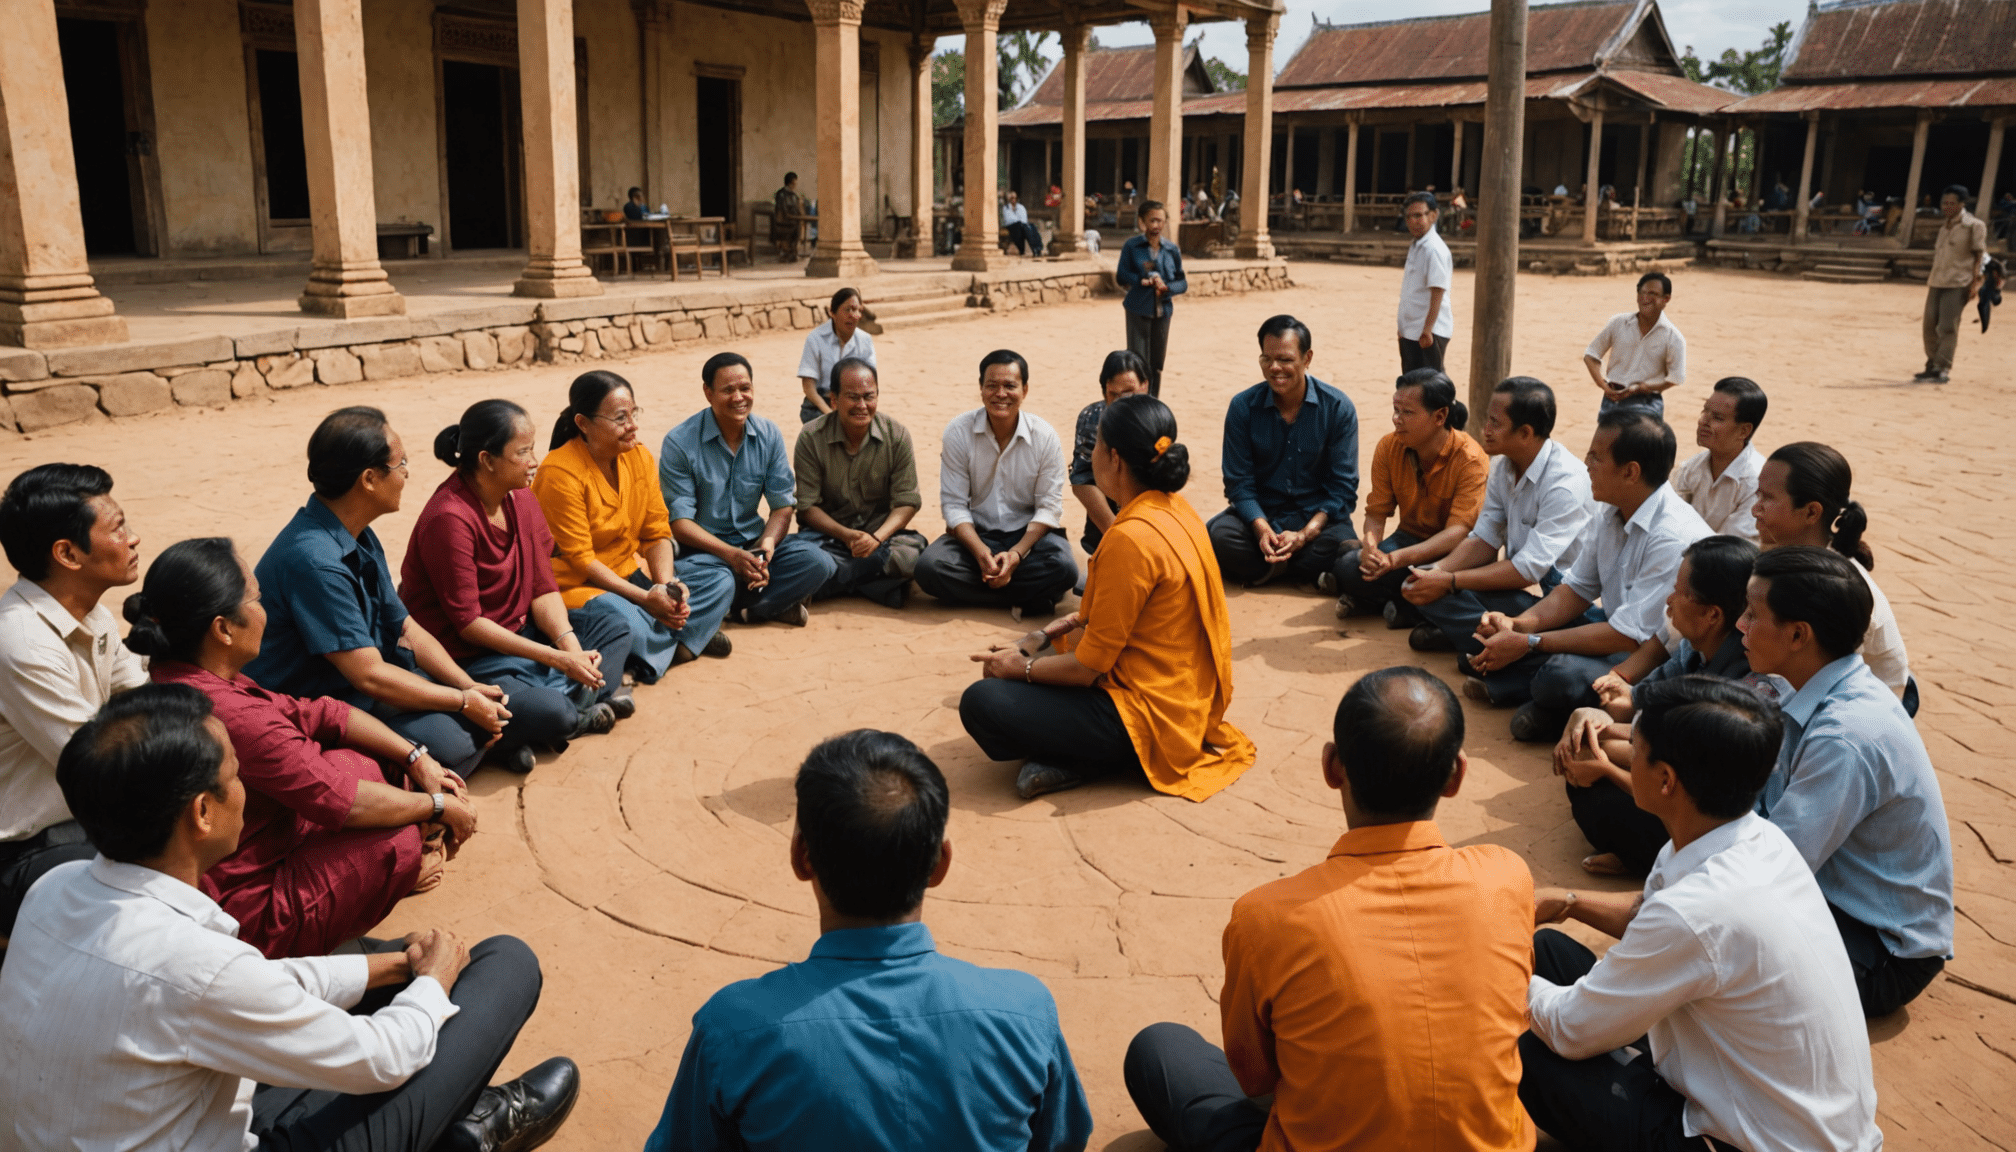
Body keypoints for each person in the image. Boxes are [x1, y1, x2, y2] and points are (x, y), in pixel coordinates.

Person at [0, 683, 579, 1152]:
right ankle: (467, 1124)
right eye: (235, 777)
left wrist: (392, 968)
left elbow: (242, 986)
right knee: (503, 966)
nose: (245, 790)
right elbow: (381, 1058)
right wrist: (432, 980)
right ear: (202, 813)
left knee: (380, 972)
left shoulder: (55, 888)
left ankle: (457, 1118)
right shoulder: (195, 968)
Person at [1124, 667, 1534, 1152]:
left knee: (1160, 1049)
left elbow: (1256, 1078)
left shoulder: (1265, 917)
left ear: (1332, 767)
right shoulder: (1506, 878)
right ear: (1456, 775)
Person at [644, 730, 1093, 1150]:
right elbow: (1061, 1138)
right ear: (940, 864)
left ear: (802, 858)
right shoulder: (1025, 1012)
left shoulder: (732, 1028)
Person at [1523, 676, 1880, 1152]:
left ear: (1666, 780)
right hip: (1781, 1113)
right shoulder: (1757, 839)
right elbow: (1650, 918)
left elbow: (1569, 1029)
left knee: (1527, 1046)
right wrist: (1565, 903)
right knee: (1544, 949)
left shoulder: (1698, 911)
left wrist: (1490, 956)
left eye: (1636, 746)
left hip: (1749, 1144)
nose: (1624, 750)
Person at [128, 537, 476, 959]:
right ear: (222, 628)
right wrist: (438, 807)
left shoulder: (193, 675)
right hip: (243, 910)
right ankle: (391, 876)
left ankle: (408, 848)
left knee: (362, 762)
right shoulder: (231, 714)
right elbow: (339, 797)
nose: (264, 610)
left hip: (259, 838)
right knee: (398, 837)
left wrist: (415, 758)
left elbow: (325, 712)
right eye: (255, 598)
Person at [959, 394, 1256, 801]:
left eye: (1096, 445)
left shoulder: (1130, 538)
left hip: (1149, 715)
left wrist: (1019, 669)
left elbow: (1087, 668)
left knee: (984, 700)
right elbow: (1101, 622)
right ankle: (1077, 751)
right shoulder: (1178, 510)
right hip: (1186, 703)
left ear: (1114, 459)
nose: (1091, 455)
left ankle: (1097, 757)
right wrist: (1036, 641)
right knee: (1015, 678)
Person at [1740, 546, 1953, 1017]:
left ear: (1798, 634)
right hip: (1829, 896)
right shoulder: (1806, 685)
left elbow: (1774, 866)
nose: (1740, 625)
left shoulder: (1847, 735)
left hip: (1881, 950)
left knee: (1720, 963)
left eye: (1753, 615)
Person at [246, 408, 513, 781]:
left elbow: (405, 627)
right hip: (316, 705)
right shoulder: (314, 561)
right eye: (400, 462)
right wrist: (464, 701)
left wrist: (468, 688)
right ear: (369, 479)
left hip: (366, 687)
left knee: (488, 715)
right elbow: (368, 676)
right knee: (458, 740)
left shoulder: (357, 532)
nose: (406, 473)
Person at [402, 400, 632, 772]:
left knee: (614, 627)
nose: (534, 461)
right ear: (487, 460)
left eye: (532, 448)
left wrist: (570, 648)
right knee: (553, 711)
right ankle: (563, 716)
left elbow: (542, 586)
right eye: (523, 452)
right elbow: (470, 625)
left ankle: (536, 726)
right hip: (471, 656)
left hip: (524, 636)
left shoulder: (521, 497)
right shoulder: (450, 517)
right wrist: (558, 660)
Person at [1467, 411, 1711, 741]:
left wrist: (1530, 643)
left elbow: (1629, 637)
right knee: (1490, 633)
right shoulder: (1610, 508)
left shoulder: (1672, 536)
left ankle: (1542, 697)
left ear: (1630, 472)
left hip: (1644, 656)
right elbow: (1576, 590)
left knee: (1560, 676)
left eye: (1596, 457)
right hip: (1607, 628)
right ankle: (1533, 693)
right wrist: (1517, 624)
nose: (1586, 464)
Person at [1553, 535, 1759, 877]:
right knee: (1584, 747)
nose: (1670, 600)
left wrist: (1605, 763)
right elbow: (1636, 703)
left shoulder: (1738, 682)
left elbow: (1686, 780)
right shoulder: (1691, 648)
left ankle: (1646, 861)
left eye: (1680, 593)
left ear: (1712, 614)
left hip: (1703, 805)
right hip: (1663, 765)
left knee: (1599, 792)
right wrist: (1589, 716)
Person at [0, 463, 146, 940]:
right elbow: (95, 763)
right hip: (24, 852)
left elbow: (148, 701)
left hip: (84, 824)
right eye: (117, 528)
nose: (133, 539)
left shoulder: (92, 615)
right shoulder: (21, 640)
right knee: (153, 894)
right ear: (67, 553)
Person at [533, 371, 731, 681]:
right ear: (584, 423)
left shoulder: (639, 457)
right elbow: (581, 561)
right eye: (620, 418)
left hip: (632, 575)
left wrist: (666, 586)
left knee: (720, 579)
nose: (633, 425)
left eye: (633, 413)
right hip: (579, 587)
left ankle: (658, 647)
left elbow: (656, 532)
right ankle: (684, 641)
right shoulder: (559, 473)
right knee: (625, 618)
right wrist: (645, 600)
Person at [1403, 377, 1594, 657]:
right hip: (1520, 596)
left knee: (1449, 595)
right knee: (1426, 589)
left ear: (1526, 433)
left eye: (1495, 422)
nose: (1486, 429)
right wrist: (1435, 573)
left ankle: (1500, 644)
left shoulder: (1564, 483)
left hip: (1560, 604)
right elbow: (1484, 539)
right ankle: (1491, 641)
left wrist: (1452, 581)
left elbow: (1526, 570)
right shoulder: (1502, 466)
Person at [661, 352, 835, 632]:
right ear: (708, 393)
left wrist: (766, 547)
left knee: (818, 561)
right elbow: (680, 524)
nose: (739, 397)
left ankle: (743, 610)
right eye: (728, 390)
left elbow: (782, 506)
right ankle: (759, 604)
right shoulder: (679, 442)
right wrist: (731, 556)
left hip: (752, 546)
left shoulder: (768, 433)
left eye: (745, 388)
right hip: (705, 554)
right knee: (720, 580)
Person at [916, 350, 1076, 617]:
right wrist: (980, 553)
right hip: (975, 536)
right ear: (981, 389)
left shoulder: (1045, 437)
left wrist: (1016, 555)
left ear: (1024, 390)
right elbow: (954, 505)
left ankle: (986, 593)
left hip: (1028, 539)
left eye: (1010, 386)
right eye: (992, 385)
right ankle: (1030, 597)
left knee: (1064, 569)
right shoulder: (958, 431)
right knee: (929, 569)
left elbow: (1049, 508)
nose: (1000, 394)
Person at [1325, 369, 1489, 628]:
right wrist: (1370, 545)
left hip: (1455, 555)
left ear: (1440, 416)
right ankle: (1404, 605)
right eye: (1395, 409)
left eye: (1407, 413)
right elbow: (1376, 513)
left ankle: (1386, 602)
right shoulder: (1389, 447)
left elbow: (1458, 533)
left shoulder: (1470, 460)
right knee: (1350, 566)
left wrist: (1394, 560)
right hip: (1407, 540)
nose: (1396, 419)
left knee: (1434, 583)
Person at [1750, 441, 1912, 701]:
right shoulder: (1780, 556)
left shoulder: (1831, 591)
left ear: (1811, 512)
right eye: (1757, 495)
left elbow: (1814, 686)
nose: (1755, 509)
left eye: (1767, 498)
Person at [1210, 315, 1359, 589]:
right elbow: (1238, 483)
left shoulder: (1338, 408)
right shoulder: (1243, 407)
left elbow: (1343, 488)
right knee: (1220, 536)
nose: (1275, 368)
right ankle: (1301, 571)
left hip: (1315, 520)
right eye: (1267, 359)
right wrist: (1262, 529)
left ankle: (1268, 569)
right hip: (1261, 515)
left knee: (1341, 543)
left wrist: (1305, 534)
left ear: (1307, 358)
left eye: (1286, 360)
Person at [793, 356, 927, 608]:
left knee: (916, 557)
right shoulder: (811, 437)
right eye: (853, 397)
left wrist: (876, 538)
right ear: (833, 399)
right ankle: (874, 585)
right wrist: (847, 536)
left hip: (882, 539)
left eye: (869, 396)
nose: (862, 405)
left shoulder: (897, 435)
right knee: (798, 557)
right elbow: (807, 507)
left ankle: (830, 583)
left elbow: (907, 501)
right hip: (829, 538)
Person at [1069, 350, 1152, 556]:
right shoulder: (1092, 418)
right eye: (1113, 394)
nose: (1120, 402)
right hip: (1105, 519)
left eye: (1129, 393)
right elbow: (1082, 479)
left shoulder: (1157, 419)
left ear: (1145, 385)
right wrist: (1115, 532)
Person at [1669, 376, 1766, 542]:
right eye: (1704, 411)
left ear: (1744, 431)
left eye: (1717, 418)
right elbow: (1669, 519)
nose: (1703, 421)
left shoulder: (1757, 482)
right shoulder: (1692, 467)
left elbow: (1728, 547)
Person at [1583, 272, 1686, 418]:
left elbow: (1675, 378)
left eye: (1652, 294)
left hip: (1648, 403)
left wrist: (1645, 388)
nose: (1645, 298)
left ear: (1666, 299)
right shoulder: (1618, 323)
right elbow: (1591, 355)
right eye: (1642, 293)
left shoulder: (1673, 337)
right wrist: (1603, 385)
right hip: (1612, 398)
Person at [1916, 184, 1988, 383]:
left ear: (1961, 204)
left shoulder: (1974, 226)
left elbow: (1979, 256)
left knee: (1948, 326)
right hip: (1937, 280)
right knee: (1929, 325)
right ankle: (1931, 363)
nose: (1946, 206)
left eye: (1951, 203)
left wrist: (1975, 284)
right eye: (1944, 203)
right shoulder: (1944, 227)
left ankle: (1942, 367)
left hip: (1958, 282)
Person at [1116, 199, 1184, 395]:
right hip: (1138, 309)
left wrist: (1167, 288)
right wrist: (1141, 281)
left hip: (1163, 312)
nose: (1156, 226)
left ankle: (1153, 403)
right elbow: (1121, 276)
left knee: (1156, 363)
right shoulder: (1132, 246)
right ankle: (1137, 402)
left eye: (1160, 221)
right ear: (1142, 222)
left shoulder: (1172, 250)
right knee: (1137, 362)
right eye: (1152, 221)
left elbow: (1182, 281)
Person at [796, 287, 877, 424]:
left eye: (856, 310)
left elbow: (870, 384)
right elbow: (809, 388)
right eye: (848, 310)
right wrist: (831, 414)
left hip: (855, 403)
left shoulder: (865, 340)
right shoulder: (815, 339)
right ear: (832, 312)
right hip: (820, 404)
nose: (853, 315)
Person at [1397, 191, 1455, 372]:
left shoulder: (1434, 249)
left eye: (1419, 215)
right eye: (1409, 217)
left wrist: (1428, 329)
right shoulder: (1417, 245)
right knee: (1411, 384)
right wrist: (1403, 327)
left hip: (1428, 331)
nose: (1413, 221)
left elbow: (1437, 291)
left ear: (1433, 215)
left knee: (1431, 389)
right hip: (1411, 329)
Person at [772, 171, 805, 261]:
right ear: (792, 182)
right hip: (784, 223)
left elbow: (797, 209)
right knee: (794, 229)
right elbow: (783, 211)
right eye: (795, 181)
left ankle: (793, 253)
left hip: (793, 221)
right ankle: (787, 253)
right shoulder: (781, 194)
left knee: (799, 228)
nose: (796, 184)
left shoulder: (794, 195)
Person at [1001, 189, 1043, 256]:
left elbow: (1024, 219)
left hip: (1021, 225)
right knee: (1023, 227)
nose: (1013, 199)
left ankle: (1037, 249)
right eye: (1011, 198)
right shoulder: (1006, 208)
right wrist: (1019, 221)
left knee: (1031, 226)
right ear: (1008, 199)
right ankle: (1032, 249)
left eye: (1015, 197)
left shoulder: (1021, 207)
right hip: (1011, 226)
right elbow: (1009, 220)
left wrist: (1020, 222)